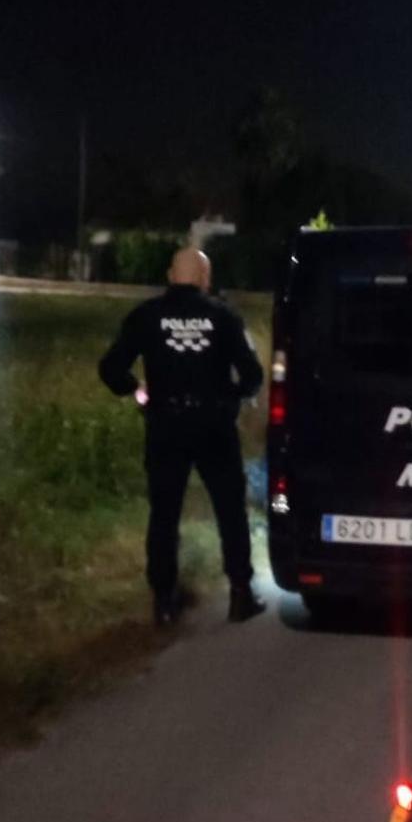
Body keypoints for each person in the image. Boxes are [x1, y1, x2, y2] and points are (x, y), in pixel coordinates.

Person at [99, 247, 266, 626]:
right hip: (214, 427)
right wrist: (233, 399)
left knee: (164, 515)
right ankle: (241, 593)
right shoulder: (224, 317)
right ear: (206, 278)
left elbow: (110, 368)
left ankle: (163, 602)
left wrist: (136, 389)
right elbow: (252, 374)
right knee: (229, 510)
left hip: (165, 426)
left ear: (170, 275)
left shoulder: (146, 316)